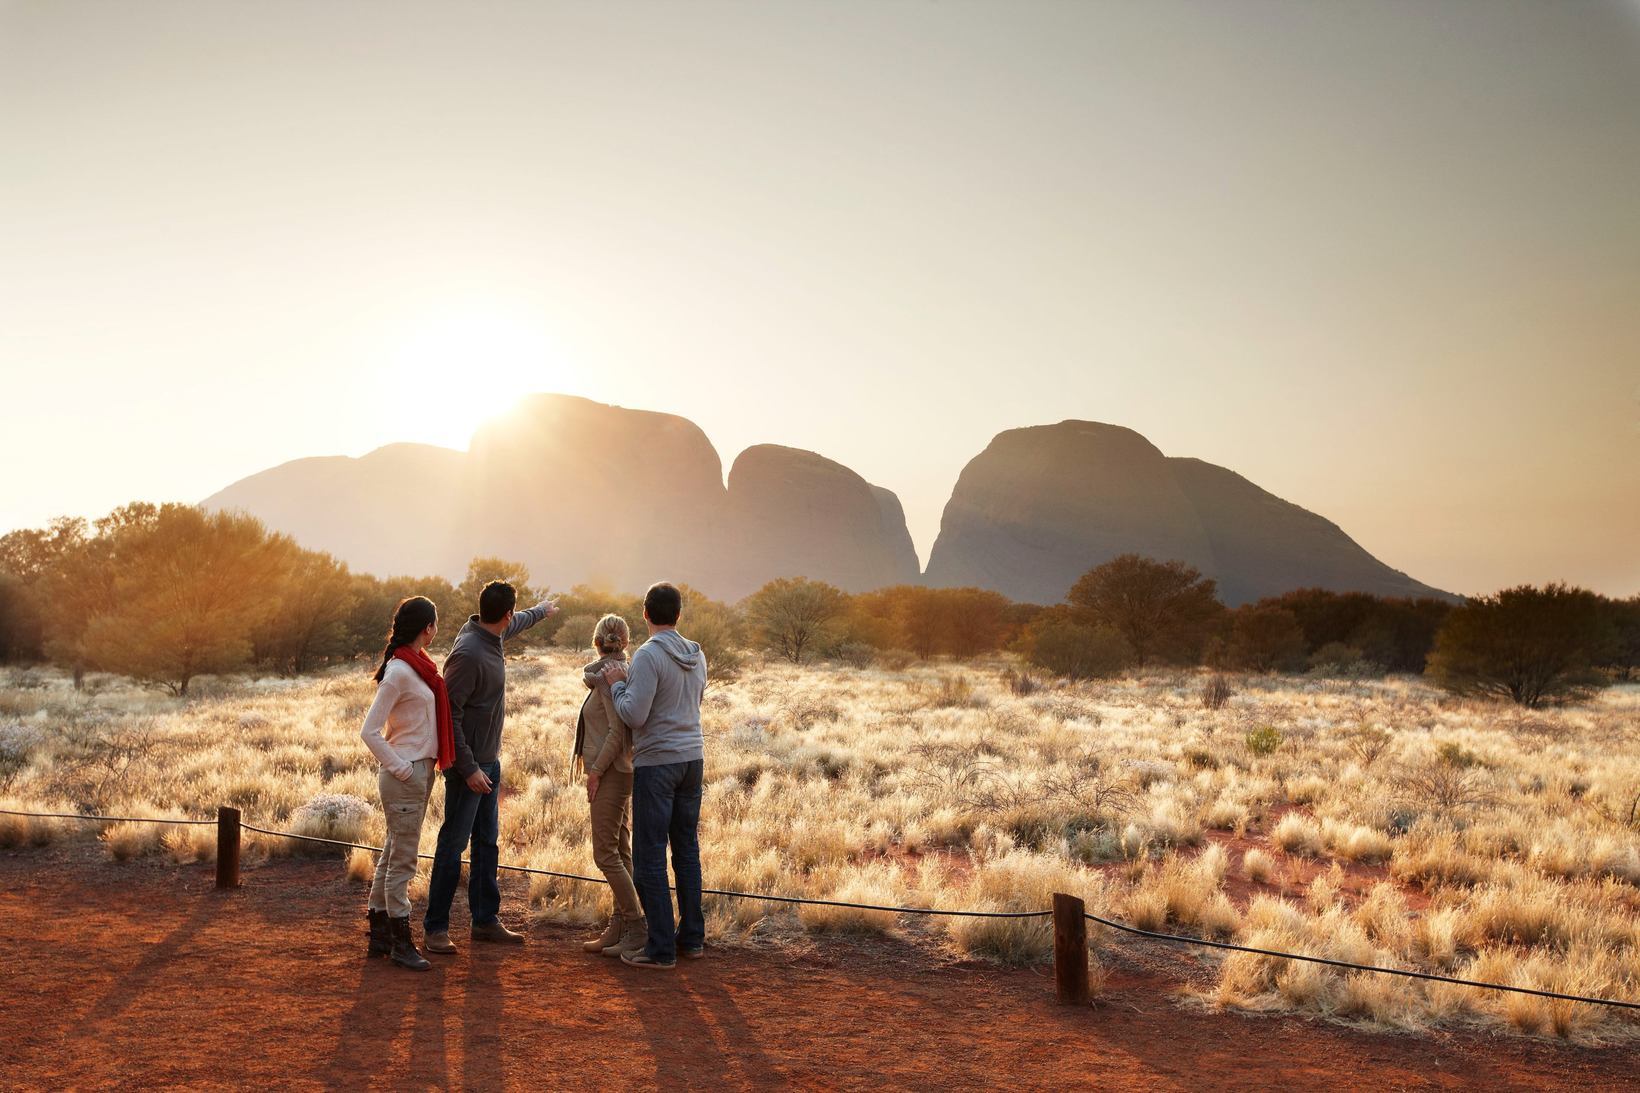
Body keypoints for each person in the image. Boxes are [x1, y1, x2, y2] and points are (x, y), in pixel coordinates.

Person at [422, 580, 556, 955]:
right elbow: (450, 715)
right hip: (471, 768)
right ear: (505, 614)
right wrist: (467, 770)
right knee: (453, 844)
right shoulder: (469, 654)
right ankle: (435, 928)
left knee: (487, 843)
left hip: (488, 761)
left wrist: (541, 612)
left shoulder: (490, 632)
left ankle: (484, 921)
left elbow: (516, 623)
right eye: (514, 615)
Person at [602, 581, 707, 970]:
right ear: (678, 614)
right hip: (692, 759)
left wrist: (616, 686)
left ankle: (660, 948)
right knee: (686, 850)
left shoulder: (647, 655)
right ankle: (692, 938)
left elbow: (635, 714)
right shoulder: (698, 655)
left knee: (648, 855)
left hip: (658, 762)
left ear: (645, 613)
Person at [358, 595, 454, 972]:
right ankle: (400, 942)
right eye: (435, 623)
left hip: (417, 772)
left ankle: (381, 935)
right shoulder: (400, 671)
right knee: (403, 859)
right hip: (407, 774)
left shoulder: (416, 667)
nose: (436, 629)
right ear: (427, 628)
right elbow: (369, 731)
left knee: (391, 852)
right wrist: (402, 768)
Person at [575, 614, 644, 956]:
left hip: (612, 770)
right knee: (620, 849)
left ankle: (636, 925)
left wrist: (596, 770)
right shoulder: (621, 673)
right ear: (626, 642)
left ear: (596, 641)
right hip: (620, 769)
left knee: (604, 853)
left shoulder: (605, 677)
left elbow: (618, 731)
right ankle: (619, 928)